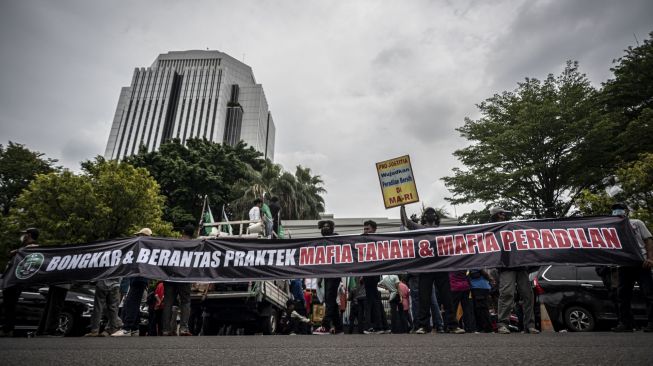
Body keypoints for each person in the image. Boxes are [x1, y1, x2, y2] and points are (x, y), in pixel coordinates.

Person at [400, 205, 464, 334]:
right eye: (427, 212)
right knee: (424, 298)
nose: (430, 214)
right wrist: (402, 206)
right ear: (423, 217)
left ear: (436, 217)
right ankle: (424, 326)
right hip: (426, 268)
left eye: (432, 212)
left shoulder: (443, 231)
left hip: (441, 268)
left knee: (447, 298)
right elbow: (405, 221)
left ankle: (452, 325)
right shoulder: (419, 228)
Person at [490, 207, 539, 335]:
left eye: (505, 214)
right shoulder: (492, 229)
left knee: (528, 294)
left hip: (520, 265)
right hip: (506, 266)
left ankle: (529, 325)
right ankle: (502, 324)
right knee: (507, 293)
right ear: (495, 215)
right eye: (501, 213)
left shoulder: (513, 227)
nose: (504, 215)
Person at [610, 203, 653, 332]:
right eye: (614, 210)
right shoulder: (610, 227)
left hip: (641, 263)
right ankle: (626, 324)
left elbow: (648, 240)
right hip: (624, 264)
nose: (616, 212)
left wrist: (650, 258)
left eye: (619, 209)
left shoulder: (637, 223)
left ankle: (652, 322)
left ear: (626, 212)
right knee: (622, 295)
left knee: (649, 293)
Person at [112, 228, 153, 336]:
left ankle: (127, 328)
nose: (137, 237)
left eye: (139, 235)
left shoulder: (144, 249)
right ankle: (134, 328)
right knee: (133, 303)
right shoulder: (145, 249)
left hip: (139, 279)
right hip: (139, 279)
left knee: (131, 303)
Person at [1, 228, 40, 337]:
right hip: (10, 281)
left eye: (25, 234)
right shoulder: (23, 248)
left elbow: (35, 250)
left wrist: (17, 251)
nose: (23, 236)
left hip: (15, 282)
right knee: (8, 305)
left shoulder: (32, 247)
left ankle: (7, 329)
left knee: (10, 305)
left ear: (29, 235)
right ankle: (7, 328)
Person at [161, 224, 194, 336]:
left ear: (183, 232)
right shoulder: (195, 245)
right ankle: (183, 328)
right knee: (185, 301)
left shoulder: (173, 243)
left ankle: (166, 329)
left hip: (170, 276)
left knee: (168, 302)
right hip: (184, 277)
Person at [312, 220, 344, 335]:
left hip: (335, 273)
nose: (325, 228)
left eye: (327, 227)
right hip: (326, 274)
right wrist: (320, 277)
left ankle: (325, 326)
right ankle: (339, 327)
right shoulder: (321, 242)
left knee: (330, 299)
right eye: (323, 227)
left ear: (332, 228)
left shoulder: (336, 238)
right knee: (330, 300)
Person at [361, 220, 390, 334]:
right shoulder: (363, 240)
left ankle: (372, 326)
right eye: (364, 229)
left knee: (370, 300)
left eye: (367, 229)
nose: (365, 231)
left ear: (374, 229)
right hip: (369, 273)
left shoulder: (377, 240)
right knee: (375, 299)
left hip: (372, 272)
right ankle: (383, 326)